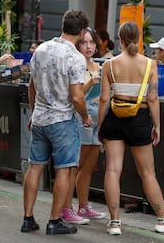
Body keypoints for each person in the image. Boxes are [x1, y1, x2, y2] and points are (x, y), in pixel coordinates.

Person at [97, 21, 164, 235]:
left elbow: (103, 99)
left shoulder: (109, 65)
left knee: (113, 170)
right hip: (140, 120)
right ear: (139, 40)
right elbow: (153, 98)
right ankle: (163, 219)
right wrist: (157, 125)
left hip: (114, 119)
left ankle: (115, 222)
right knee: (147, 173)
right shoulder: (149, 65)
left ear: (120, 40)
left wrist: (101, 127)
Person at [22, 9, 92, 236]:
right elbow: (77, 96)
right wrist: (84, 116)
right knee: (64, 169)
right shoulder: (75, 57)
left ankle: (28, 218)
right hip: (62, 120)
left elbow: (32, 85)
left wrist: (34, 112)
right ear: (82, 32)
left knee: (35, 167)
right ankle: (54, 220)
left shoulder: (41, 49)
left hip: (41, 117)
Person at [61, 27, 106, 225]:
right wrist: (91, 84)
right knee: (75, 166)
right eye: (84, 42)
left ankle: (83, 205)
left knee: (89, 166)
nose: (88, 46)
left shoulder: (99, 66)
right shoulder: (76, 65)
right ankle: (66, 208)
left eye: (92, 42)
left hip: (98, 118)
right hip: (82, 117)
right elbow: (76, 95)